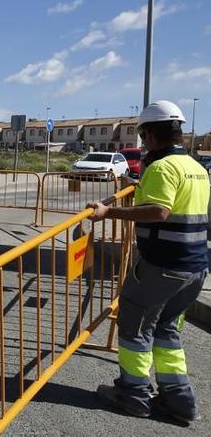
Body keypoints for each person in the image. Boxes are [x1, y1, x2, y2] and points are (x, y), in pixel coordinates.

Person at [88, 100, 208, 423]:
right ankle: (179, 401)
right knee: (167, 330)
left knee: (135, 324)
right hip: (194, 268)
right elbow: (175, 203)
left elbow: (160, 211)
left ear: (152, 136)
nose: (142, 144)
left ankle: (134, 394)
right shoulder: (196, 168)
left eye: (143, 137)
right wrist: (138, 187)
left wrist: (108, 211)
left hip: (163, 265)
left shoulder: (162, 168)